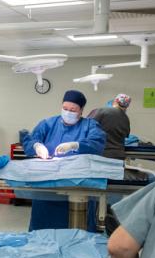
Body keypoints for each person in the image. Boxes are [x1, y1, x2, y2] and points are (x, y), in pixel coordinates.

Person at [21, 89, 106, 230]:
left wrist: (76, 145)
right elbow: (30, 139)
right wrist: (36, 146)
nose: (68, 112)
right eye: (65, 108)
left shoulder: (90, 126)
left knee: (77, 230)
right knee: (44, 230)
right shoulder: (48, 124)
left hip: (78, 186)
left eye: (73, 110)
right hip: (47, 187)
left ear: (81, 111)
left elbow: (97, 143)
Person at [89, 93, 131, 160]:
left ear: (115, 101)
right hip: (118, 156)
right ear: (127, 106)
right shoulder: (126, 118)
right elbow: (126, 135)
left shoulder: (100, 111)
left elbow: (86, 127)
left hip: (100, 154)